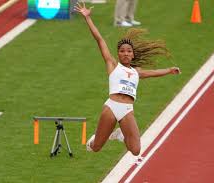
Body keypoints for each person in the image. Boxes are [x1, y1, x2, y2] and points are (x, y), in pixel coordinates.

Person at [74, 2, 180, 156]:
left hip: (127, 109)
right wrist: (88, 18)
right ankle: (93, 140)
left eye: (128, 51)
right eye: (122, 51)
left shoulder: (137, 72)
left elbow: (154, 72)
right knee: (95, 147)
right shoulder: (113, 65)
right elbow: (100, 39)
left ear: (132, 54)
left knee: (136, 150)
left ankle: (119, 134)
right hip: (111, 107)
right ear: (118, 54)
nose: (125, 53)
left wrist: (169, 70)